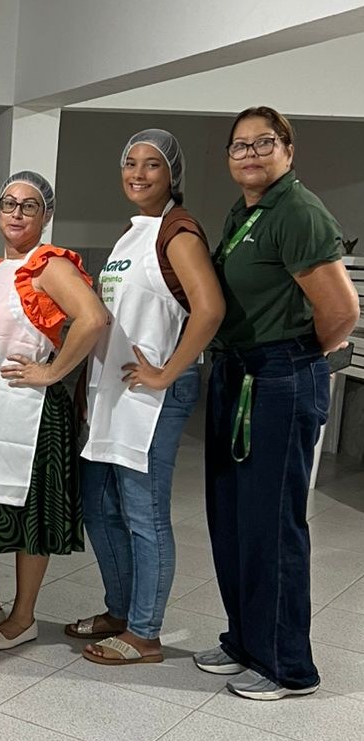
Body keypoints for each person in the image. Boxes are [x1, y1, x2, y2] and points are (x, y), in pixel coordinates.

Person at [197, 106, 358, 700]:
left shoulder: (299, 211)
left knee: (272, 523)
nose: (251, 154)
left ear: (288, 150)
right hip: (239, 372)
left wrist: (289, 359)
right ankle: (246, 640)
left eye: (264, 143)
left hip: (279, 375)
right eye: (240, 146)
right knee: (234, 520)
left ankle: (287, 666)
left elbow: (342, 314)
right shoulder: (247, 210)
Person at [69, 129, 224, 666]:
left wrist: (167, 374)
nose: (137, 173)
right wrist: (93, 388)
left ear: (172, 173)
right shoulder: (133, 234)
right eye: (129, 163)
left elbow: (209, 309)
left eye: (151, 165)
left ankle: (145, 632)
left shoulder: (178, 232)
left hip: (152, 396)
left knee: (144, 513)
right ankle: (121, 610)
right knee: (100, 506)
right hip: (115, 392)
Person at [0, 171, 106, 651]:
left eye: (28, 206)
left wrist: (53, 373)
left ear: (45, 215)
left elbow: (93, 318)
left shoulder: (48, 266)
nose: (15, 213)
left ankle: (23, 616)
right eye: (8, 203)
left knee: (30, 514)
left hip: (28, 412)